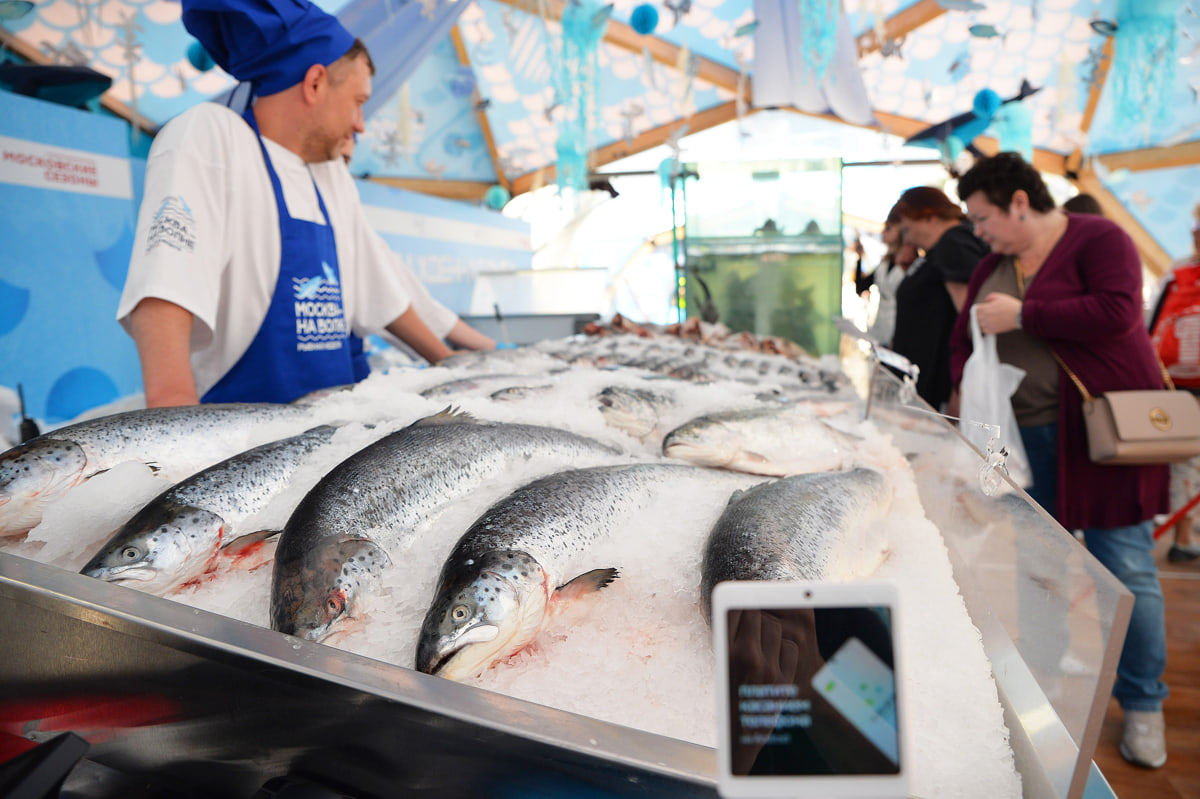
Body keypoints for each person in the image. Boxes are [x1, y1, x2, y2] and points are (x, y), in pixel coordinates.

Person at [949, 151, 1171, 769]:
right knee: (1037, 569)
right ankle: (1042, 693)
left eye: (984, 216)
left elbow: (1119, 311)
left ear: (1020, 203)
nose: (979, 230)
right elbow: (959, 342)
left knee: (1127, 569)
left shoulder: (1100, 238)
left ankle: (1145, 702)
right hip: (1019, 445)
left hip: (1101, 442)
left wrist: (1025, 315)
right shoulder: (992, 266)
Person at [117, 0, 453, 407]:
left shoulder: (329, 175)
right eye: (358, 101)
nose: (361, 124)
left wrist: (457, 366)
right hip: (243, 443)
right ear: (315, 83)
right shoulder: (211, 133)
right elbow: (166, 287)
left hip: (335, 440)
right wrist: (175, 428)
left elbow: (380, 293)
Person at [337, 136, 497, 358]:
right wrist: (446, 359)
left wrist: (491, 351)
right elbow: (385, 304)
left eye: (345, 163)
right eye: (339, 160)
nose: (359, 126)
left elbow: (414, 303)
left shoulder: (347, 211)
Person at [889, 186, 988, 409]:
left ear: (929, 218)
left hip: (939, 388)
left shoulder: (952, 244)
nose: (908, 238)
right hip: (927, 385)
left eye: (908, 229)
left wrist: (959, 388)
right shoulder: (940, 249)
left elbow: (971, 321)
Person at [1147, 201, 1200, 563]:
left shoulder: (1179, 269)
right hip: (1182, 381)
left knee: (1184, 457)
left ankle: (1182, 535)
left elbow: (1151, 321)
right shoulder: (1179, 269)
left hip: (1176, 381)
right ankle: (1183, 535)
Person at [852, 213, 918, 348]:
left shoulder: (910, 263)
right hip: (879, 333)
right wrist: (859, 258)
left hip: (900, 333)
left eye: (888, 228)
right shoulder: (884, 263)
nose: (883, 232)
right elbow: (861, 287)